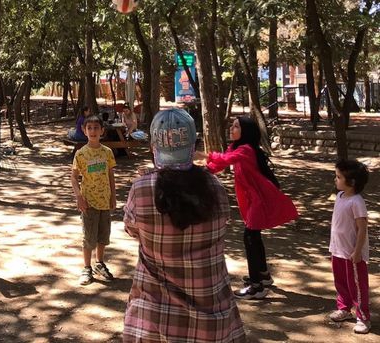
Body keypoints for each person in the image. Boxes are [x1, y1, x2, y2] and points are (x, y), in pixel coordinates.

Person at [123, 108, 245, 343]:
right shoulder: (215, 188)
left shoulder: (141, 189)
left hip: (154, 321)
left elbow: (132, 229)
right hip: (211, 323)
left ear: (153, 148)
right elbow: (222, 226)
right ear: (193, 146)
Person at [197, 116, 298, 300]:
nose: (231, 129)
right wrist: (204, 170)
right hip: (251, 199)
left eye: (236, 126)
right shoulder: (236, 147)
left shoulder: (246, 149)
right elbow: (221, 163)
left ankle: (256, 285)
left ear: (246, 131)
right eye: (232, 126)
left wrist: (203, 155)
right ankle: (264, 275)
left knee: (250, 237)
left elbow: (226, 158)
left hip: (258, 199)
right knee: (253, 236)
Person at [71, 115, 116, 286]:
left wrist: (113, 196)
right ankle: (86, 267)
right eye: (89, 128)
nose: (93, 131)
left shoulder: (107, 152)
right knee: (89, 237)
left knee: (103, 236)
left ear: (102, 131)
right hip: (88, 203)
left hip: (104, 201)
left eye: (96, 128)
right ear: (84, 131)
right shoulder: (81, 154)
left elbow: (111, 176)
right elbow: (74, 178)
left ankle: (99, 263)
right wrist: (79, 197)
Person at [329, 159, 371, 335]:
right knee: (341, 281)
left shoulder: (357, 202)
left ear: (352, 182)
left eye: (338, 177)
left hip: (352, 253)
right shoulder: (339, 196)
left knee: (357, 285)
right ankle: (344, 308)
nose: (335, 180)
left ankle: (363, 317)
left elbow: (362, 228)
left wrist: (357, 251)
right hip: (337, 250)